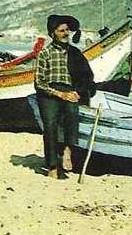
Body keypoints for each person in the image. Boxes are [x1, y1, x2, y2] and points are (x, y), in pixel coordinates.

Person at [34, 14, 96, 179]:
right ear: (53, 33)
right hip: (49, 92)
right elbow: (39, 83)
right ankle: (52, 167)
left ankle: (68, 150)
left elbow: (87, 77)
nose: (66, 33)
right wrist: (59, 94)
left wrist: (77, 92)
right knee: (50, 126)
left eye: (67, 30)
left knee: (71, 115)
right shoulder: (45, 53)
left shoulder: (75, 53)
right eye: (61, 31)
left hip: (69, 90)